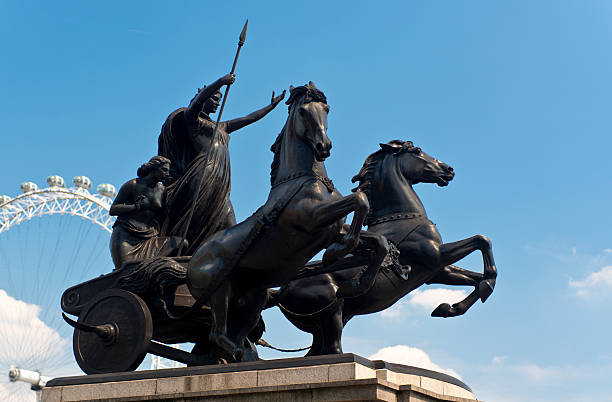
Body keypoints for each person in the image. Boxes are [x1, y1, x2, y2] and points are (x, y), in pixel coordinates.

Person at [158, 73, 285, 254]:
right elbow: (195, 103)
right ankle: (181, 253)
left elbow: (248, 118)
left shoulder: (221, 126)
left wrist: (271, 107)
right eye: (215, 98)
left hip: (220, 179)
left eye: (220, 100)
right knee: (195, 220)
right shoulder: (192, 120)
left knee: (229, 224)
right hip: (202, 175)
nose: (218, 103)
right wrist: (220, 82)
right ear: (205, 99)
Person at [109, 156, 188, 269]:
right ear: (154, 169)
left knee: (181, 243)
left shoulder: (162, 190)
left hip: (150, 238)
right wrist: (134, 207)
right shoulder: (133, 185)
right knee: (128, 271)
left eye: (168, 171)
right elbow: (113, 210)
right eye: (164, 170)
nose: (167, 173)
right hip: (127, 236)